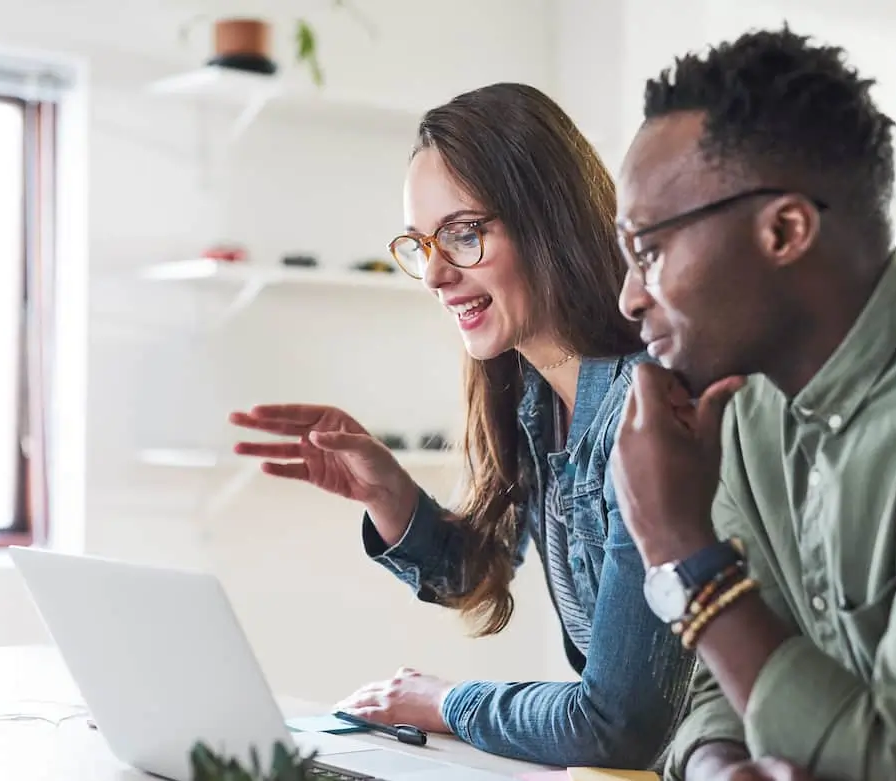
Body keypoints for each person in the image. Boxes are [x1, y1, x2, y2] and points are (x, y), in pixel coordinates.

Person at [228, 83, 695, 769]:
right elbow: (477, 573)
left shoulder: (649, 410)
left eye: (464, 233)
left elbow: (615, 723)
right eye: (421, 243)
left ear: (550, 220)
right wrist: (390, 494)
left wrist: (446, 702)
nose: (435, 274)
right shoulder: (534, 391)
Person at [608, 25, 896, 781]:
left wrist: (679, 547)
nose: (629, 297)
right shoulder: (742, 407)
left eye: (649, 251)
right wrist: (714, 764)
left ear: (785, 229)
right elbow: (726, 671)